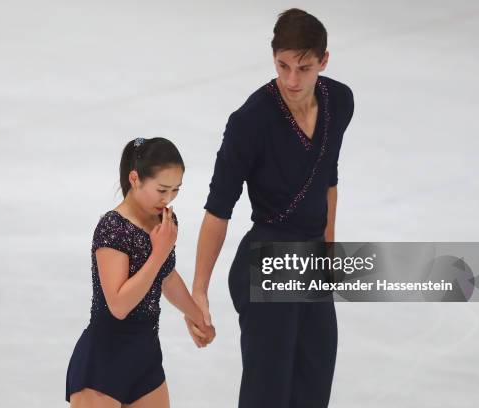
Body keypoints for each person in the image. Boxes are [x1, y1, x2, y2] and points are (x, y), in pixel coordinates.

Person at [185, 8, 355, 408]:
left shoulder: (340, 102)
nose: (292, 80)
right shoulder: (250, 121)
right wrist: (199, 290)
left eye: (304, 67)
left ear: (323, 61)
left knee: (313, 389)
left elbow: (328, 180)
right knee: (269, 396)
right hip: (266, 260)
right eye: (282, 65)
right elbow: (217, 209)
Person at [66, 137, 215, 408]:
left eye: (175, 190)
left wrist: (197, 317)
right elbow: (119, 304)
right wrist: (158, 253)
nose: (168, 199)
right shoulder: (113, 228)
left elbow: (166, 277)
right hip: (104, 361)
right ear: (135, 179)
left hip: (145, 358)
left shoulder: (164, 222)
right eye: (161, 190)